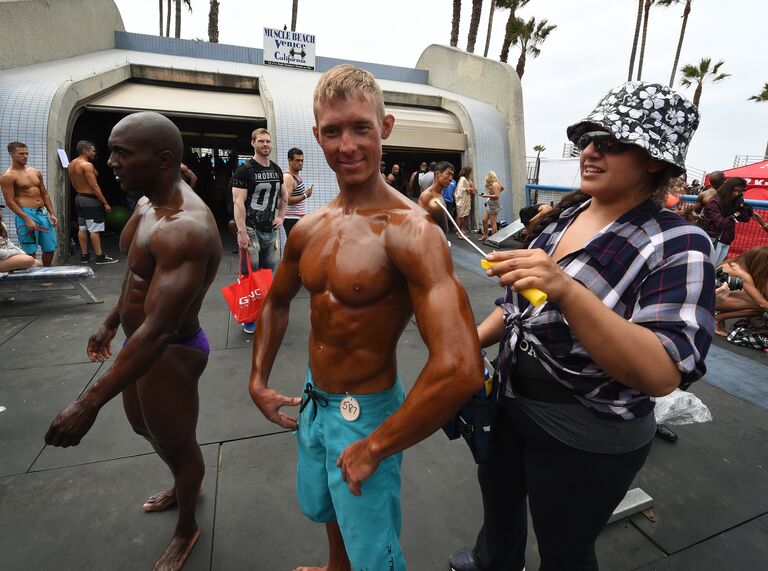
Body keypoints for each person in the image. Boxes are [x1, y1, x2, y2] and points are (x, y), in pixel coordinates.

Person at [449, 81, 715, 571]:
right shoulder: (565, 216)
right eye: (588, 139)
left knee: (565, 548)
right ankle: (493, 562)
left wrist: (569, 292)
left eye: (611, 141)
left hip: (588, 429)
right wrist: (460, 346)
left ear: (655, 159)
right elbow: (514, 309)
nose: (591, 151)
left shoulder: (679, 242)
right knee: (499, 508)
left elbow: (660, 372)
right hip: (509, 400)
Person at [247, 64, 483, 571]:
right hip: (314, 398)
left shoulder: (411, 232)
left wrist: (376, 445)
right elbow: (277, 299)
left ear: (386, 127)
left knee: (375, 549)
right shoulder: (310, 228)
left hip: (366, 410)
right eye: (332, 131)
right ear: (316, 136)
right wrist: (258, 378)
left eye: (361, 127)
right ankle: (336, 567)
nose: (347, 145)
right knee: (325, 505)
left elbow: (461, 365)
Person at [43, 111, 221, 570]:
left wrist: (87, 403)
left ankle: (187, 526)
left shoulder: (186, 227)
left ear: (162, 159)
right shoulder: (145, 205)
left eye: (122, 153)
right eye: (110, 152)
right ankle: (186, 480)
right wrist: (109, 321)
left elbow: (161, 327)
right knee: (144, 427)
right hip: (137, 343)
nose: (110, 163)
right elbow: (136, 276)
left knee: (179, 444)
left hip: (171, 351)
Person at [231, 127, 289, 334]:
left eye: (268, 141)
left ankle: (265, 312)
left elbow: (284, 196)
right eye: (261, 141)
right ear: (253, 143)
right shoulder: (244, 170)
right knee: (250, 274)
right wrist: (241, 231)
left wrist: (281, 216)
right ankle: (250, 317)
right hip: (251, 230)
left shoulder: (276, 169)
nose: (265, 145)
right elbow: (238, 202)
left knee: (267, 274)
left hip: (269, 231)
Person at [1, 142, 58, 266]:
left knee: (50, 247)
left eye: (26, 153)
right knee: (30, 249)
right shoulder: (8, 176)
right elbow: (9, 202)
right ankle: (32, 277)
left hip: (41, 212)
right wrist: (26, 218)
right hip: (25, 213)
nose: (25, 156)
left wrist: (51, 213)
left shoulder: (35, 172)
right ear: (11, 154)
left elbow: (44, 193)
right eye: (21, 154)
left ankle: (46, 273)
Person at [68, 140, 118, 265]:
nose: (94, 153)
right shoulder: (87, 165)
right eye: (93, 151)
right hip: (90, 200)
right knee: (94, 229)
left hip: (79, 198)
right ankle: (100, 256)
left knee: (82, 227)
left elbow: (74, 183)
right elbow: (94, 186)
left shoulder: (72, 164)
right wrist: (105, 203)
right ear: (85, 151)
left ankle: (84, 256)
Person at [714, 246, 768, 336]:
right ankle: (717, 318)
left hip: (708, 295)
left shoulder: (734, 263)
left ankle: (719, 318)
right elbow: (761, 303)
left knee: (753, 298)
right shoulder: (742, 274)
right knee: (758, 306)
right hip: (708, 299)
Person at [701, 177, 752, 265]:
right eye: (735, 190)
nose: (736, 194)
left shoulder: (734, 201)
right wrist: (735, 214)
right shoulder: (715, 202)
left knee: (715, 268)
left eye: (740, 191)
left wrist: (741, 205)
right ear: (729, 188)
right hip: (715, 239)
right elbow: (720, 223)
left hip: (726, 240)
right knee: (710, 267)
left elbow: (745, 218)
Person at [0, 208, 42, 276]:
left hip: (5, 256)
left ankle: (31, 284)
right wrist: (15, 253)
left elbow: (8, 243)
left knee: (37, 264)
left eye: (0, 209)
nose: (1, 211)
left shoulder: (2, 225)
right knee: (28, 260)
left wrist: (21, 253)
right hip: (2, 257)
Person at [283, 147, 313, 238]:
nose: (300, 163)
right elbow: (286, 199)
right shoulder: (288, 177)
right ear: (289, 160)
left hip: (297, 218)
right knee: (295, 248)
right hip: (291, 219)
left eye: (302, 160)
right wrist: (305, 195)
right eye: (297, 160)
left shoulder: (296, 175)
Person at [418, 160, 455, 236]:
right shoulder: (426, 196)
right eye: (448, 174)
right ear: (438, 174)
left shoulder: (439, 193)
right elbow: (422, 225)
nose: (451, 179)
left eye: (452, 175)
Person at [480, 171, 503, 242]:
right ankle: (485, 235)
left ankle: (493, 239)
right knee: (484, 220)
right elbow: (502, 188)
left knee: (493, 223)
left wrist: (486, 195)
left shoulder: (495, 184)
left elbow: (496, 196)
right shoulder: (496, 183)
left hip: (494, 205)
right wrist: (496, 191)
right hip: (491, 205)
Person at [454, 166, 477, 234]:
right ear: (467, 172)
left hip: (465, 199)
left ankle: (463, 230)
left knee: (464, 215)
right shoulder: (463, 179)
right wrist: (470, 189)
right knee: (462, 215)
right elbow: (460, 189)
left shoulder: (465, 179)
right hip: (462, 200)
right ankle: (461, 230)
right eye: (469, 172)